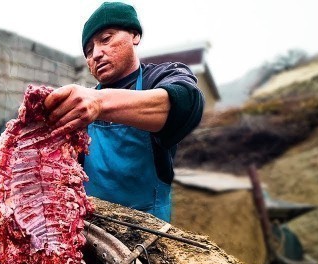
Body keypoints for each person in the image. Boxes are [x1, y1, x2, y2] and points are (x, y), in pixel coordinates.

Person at [44, 2, 204, 222]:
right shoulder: (82, 106)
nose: (96, 54)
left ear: (134, 35)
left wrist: (99, 104)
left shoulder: (158, 78)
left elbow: (185, 104)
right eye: (89, 51)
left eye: (106, 39)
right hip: (93, 225)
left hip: (148, 228)